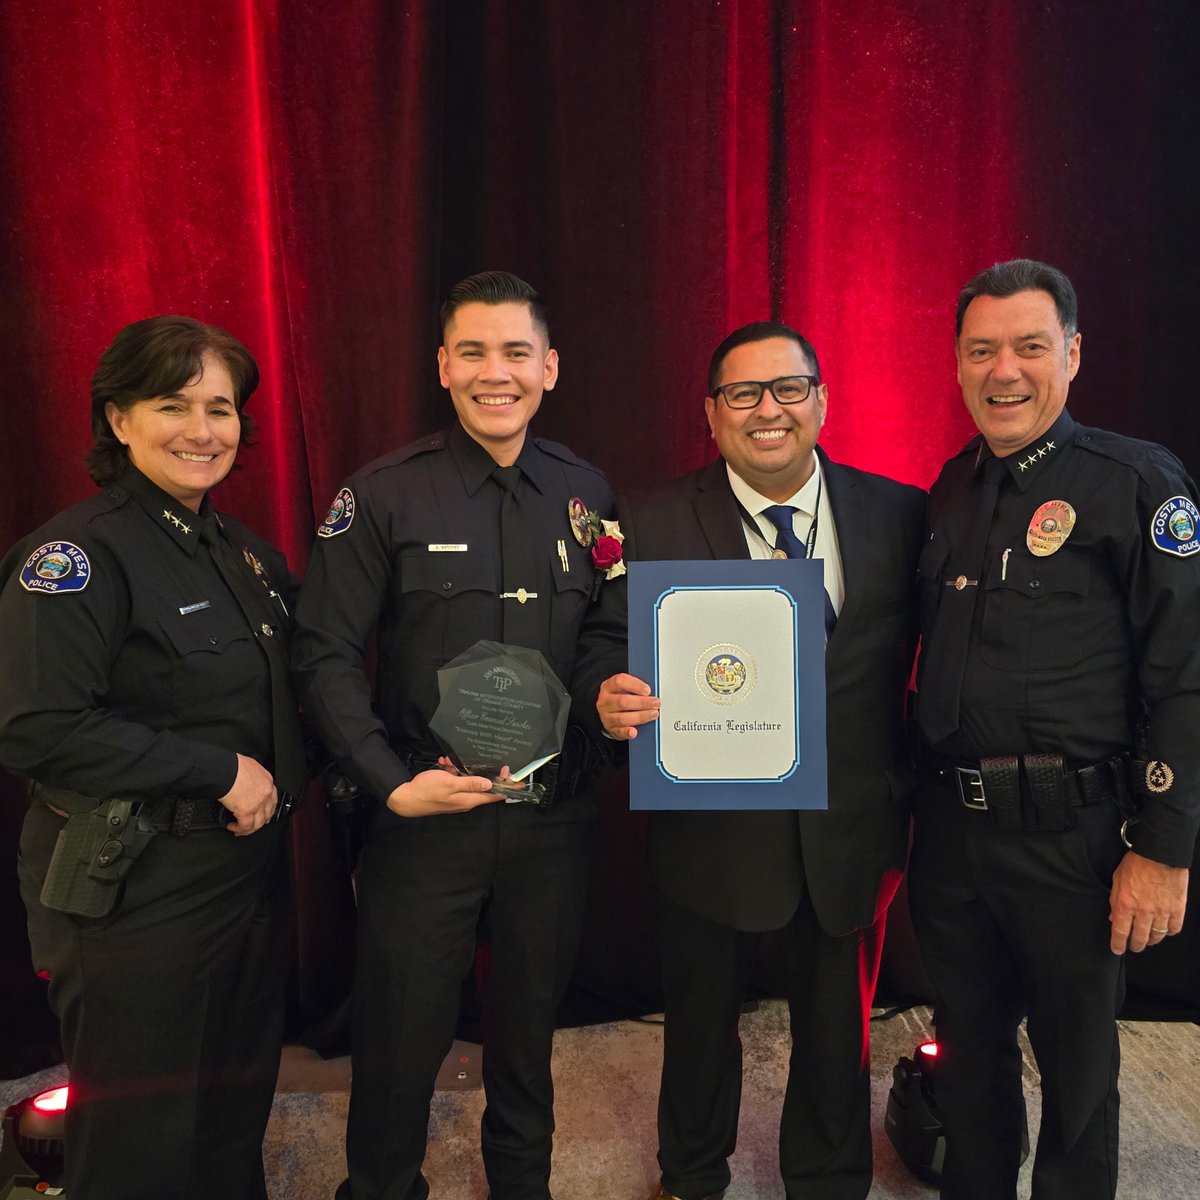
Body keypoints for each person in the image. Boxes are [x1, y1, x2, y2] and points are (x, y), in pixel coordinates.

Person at [575, 322, 925, 1200]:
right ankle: (692, 1175)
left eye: (789, 388)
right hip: (709, 820)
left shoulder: (899, 512)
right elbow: (600, 642)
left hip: (847, 823)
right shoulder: (648, 519)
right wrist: (604, 693)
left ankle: (830, 1178)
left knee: (836, 1028)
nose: (768, 410)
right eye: (743, 394)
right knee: (698, 1024)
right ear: (711, 413)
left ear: (822, 400)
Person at [291, 271, 615, 1200]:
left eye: (515, 352)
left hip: (550, 822)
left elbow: (603, 633)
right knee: (398, 1044)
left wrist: (610, 694)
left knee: (528, 1039)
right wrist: (388, 783)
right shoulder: (383, 495)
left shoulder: (587, 493)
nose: (494, 372)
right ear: (443, 365)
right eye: (472, 351)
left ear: (548, 367)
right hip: (424, 820)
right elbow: (321, 654)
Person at [910, 258, 1200, 1200]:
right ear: (956, 363)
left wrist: (1163, 848)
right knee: (967, 1053)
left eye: (1030, 347)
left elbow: (1189, 680)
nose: (1005, 371)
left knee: (1078, 1070)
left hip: (1073, 836)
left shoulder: (1137, 483)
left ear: (1072, 355)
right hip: (955, 833)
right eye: (982, 350)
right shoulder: (950, 490)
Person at [0, 316, 306, 1199]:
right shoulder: (76, 557)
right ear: (118, 418)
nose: (203, 430)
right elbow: (36, 726)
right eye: (174, 405)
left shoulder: (243, 555)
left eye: (221, 407)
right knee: (141, 1136)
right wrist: (215, 771)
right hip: (132, 887)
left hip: (241, 876)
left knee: (229, 1112)